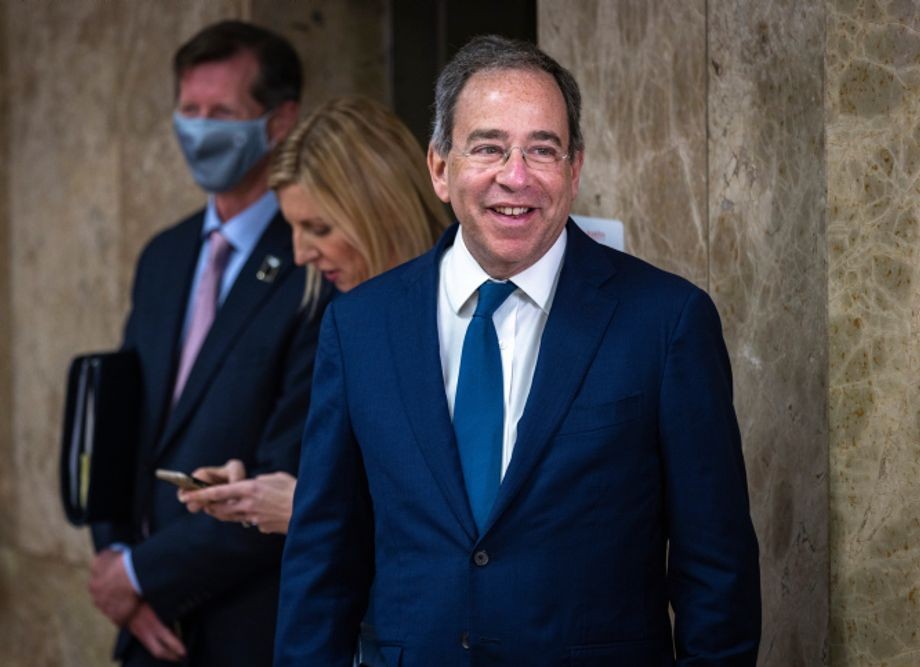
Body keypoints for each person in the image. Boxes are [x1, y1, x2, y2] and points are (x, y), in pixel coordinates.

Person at [274, 35, 762, 666]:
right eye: (488, 148)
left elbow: (716, 569)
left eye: (543, 149)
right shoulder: (359, 326)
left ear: (574, 170)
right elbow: (322, 560)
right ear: (439, 168)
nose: (517, 176)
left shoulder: (665, 321)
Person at [86, 21, 320, 666]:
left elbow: (292, 473)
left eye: (221, 113)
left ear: (280, 120)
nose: (199, 128)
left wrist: (142, 576)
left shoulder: (316, 261)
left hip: (251, 628)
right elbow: (124, 424)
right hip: (151, 631)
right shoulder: (163, 255)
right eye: (189, 110)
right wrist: (116, 558)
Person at [177, 95, 450, 535]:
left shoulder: (466, 311)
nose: (301, 254)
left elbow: (458, 529)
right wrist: (259, 490)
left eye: (319, 228)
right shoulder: (346, 321)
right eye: (293, 228)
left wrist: (306, 510)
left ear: (381, 209)